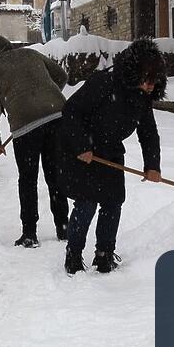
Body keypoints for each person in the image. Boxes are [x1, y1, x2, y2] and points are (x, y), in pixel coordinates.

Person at [60, 38, 166, 274]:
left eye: (155, 80)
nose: (150, 85)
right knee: (86, 203)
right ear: (134, 72)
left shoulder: (142, 97)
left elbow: (148, 132)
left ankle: (104, 254)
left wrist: (153, 165)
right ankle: (74, 254)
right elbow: (71, 111)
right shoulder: (103, 83)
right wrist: (81, 146)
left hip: (111, 151)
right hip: (82, 150)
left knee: (113, 202)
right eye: (147, 78)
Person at [0, 34, 70, 248]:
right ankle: (64, 228)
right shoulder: (31, 53)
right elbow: (61, 75)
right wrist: (48, 96)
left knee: (28, 179)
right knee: (55, 175)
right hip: (57, 117)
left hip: (25, 127)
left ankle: (29, 234)